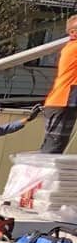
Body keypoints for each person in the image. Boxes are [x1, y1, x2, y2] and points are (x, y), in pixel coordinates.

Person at [40, 14, 77, 154]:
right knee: (53, 149)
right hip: (62, 101)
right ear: (73, 33)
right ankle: (41, 175)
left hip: (65, 102)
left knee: (56, 147)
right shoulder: (74, 47)